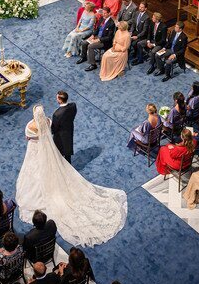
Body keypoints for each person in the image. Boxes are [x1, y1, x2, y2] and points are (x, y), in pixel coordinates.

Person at [16, 107, 127, 247]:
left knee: (36, 176)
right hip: (48, 152)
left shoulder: (31, 125)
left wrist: (30, 137)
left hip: (35, 152)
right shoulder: (47, 121)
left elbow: (29, 135)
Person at [51, 91, 77, 162]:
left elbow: (54, 129)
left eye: (57, 98)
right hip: (69, 131)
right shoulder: (73, 105)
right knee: (68, 150)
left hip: (59, 136)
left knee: (58, 153)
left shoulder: (57, 114)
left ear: (60, 100)